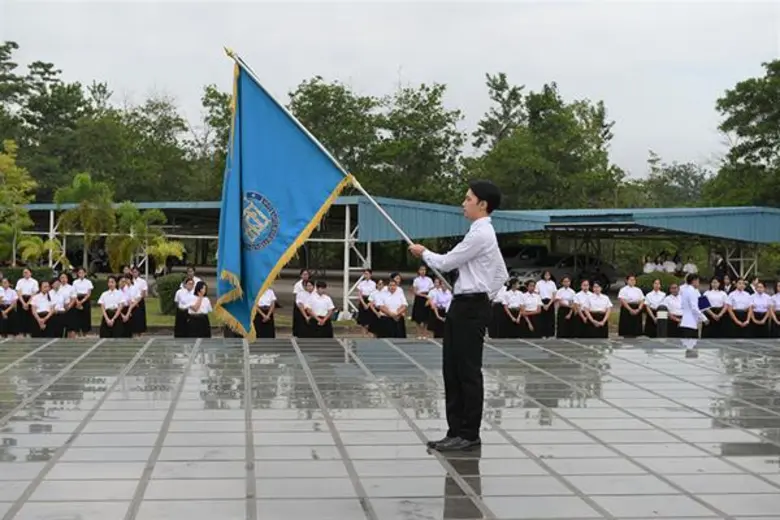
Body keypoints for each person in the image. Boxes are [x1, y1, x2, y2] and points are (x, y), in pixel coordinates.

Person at [409, 179, 507, 452]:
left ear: (482, 205)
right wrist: (485, 293)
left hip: (470, 307)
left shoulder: (481, 234)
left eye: (468, 199)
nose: (463, 204)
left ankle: (468, 433)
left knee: (466, 371)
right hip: (464, 304)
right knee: (452, 369)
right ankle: (455, 431)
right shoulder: (481, 233)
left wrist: (422, 252)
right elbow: (501, 274)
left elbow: (446, 262)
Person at [680, 274, 707, 339]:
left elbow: (703, 304)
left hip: (687, 321)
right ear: (694, 281)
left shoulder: (686, 290)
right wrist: (704, 318)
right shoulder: (691, 291)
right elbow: (694, 308)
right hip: (690, 322)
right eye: (698, 281)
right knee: (691, 343)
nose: (699, 283)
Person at [411, 265, 434, 339]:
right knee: (418, 317)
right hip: (419, 298)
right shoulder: (416, 280)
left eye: (424, 270)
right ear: (418, 271)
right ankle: (419, 333)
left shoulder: (429, 279)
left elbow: (431, 289)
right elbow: (415, 291)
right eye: (421, 270)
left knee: (426, 317)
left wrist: (428, 298)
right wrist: (423, 295)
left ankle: (425, 333)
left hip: (427, 297)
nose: (423, 271)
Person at [72, 267, 94, 336]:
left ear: (85, 273)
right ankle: (78, 334)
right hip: (77, 299)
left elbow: (89, 293)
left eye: (82, 273)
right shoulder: (75, 282)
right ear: (77, 274)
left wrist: (82, 301)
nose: (81, 274)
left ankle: (85, 334)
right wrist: (77, 302)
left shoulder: (88, 282)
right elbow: (74, 293)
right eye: (79, 273)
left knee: (85, 317)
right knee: (77, 317)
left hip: (85, 300)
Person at [535, 271, 556, 338]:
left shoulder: (552, 283)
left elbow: (554, 295)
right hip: (541, 301)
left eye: (548, 275)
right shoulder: (539, 283)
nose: (547, 276)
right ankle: (542, 334)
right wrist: (542, 304)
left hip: (550, 302)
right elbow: (537, 294)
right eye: (546, 275)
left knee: (550, 319)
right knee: (542, 319)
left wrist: (548, 304)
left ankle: (550, 334)